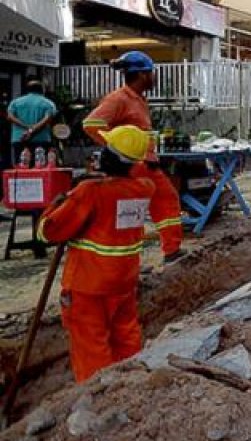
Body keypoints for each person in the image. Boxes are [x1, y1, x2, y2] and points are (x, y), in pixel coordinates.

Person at [38, 126, 155, 382]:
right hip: (124, 280)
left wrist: (56, 205)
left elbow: (52, 231)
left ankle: (97, 398)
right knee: (126, 337)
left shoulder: (90, 192)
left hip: (88, 285)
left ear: (111, 157)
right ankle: (130, 388)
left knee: (92, 346)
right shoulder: (144, 188)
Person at [81, 51, 183, 262]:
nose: (154, 77)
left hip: (146, 163)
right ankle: (135, 257)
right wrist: (119, 150)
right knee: (132, 212)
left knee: (166, 200)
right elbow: (91, 124)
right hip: (135, 165)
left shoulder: (136, 99)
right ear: (143, 74)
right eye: (152, 73)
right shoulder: (119, 98)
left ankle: (172, 250)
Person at [7, 79, 58, 164]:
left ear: (27, 90)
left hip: (19, 139)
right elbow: (48, 118)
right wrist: (32, 129)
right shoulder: (48, 103)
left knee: (20, 168)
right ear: (42, 90)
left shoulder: (15, 102)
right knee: (39, 168)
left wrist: (25, 126)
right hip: (41, 140)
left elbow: (10, 117)